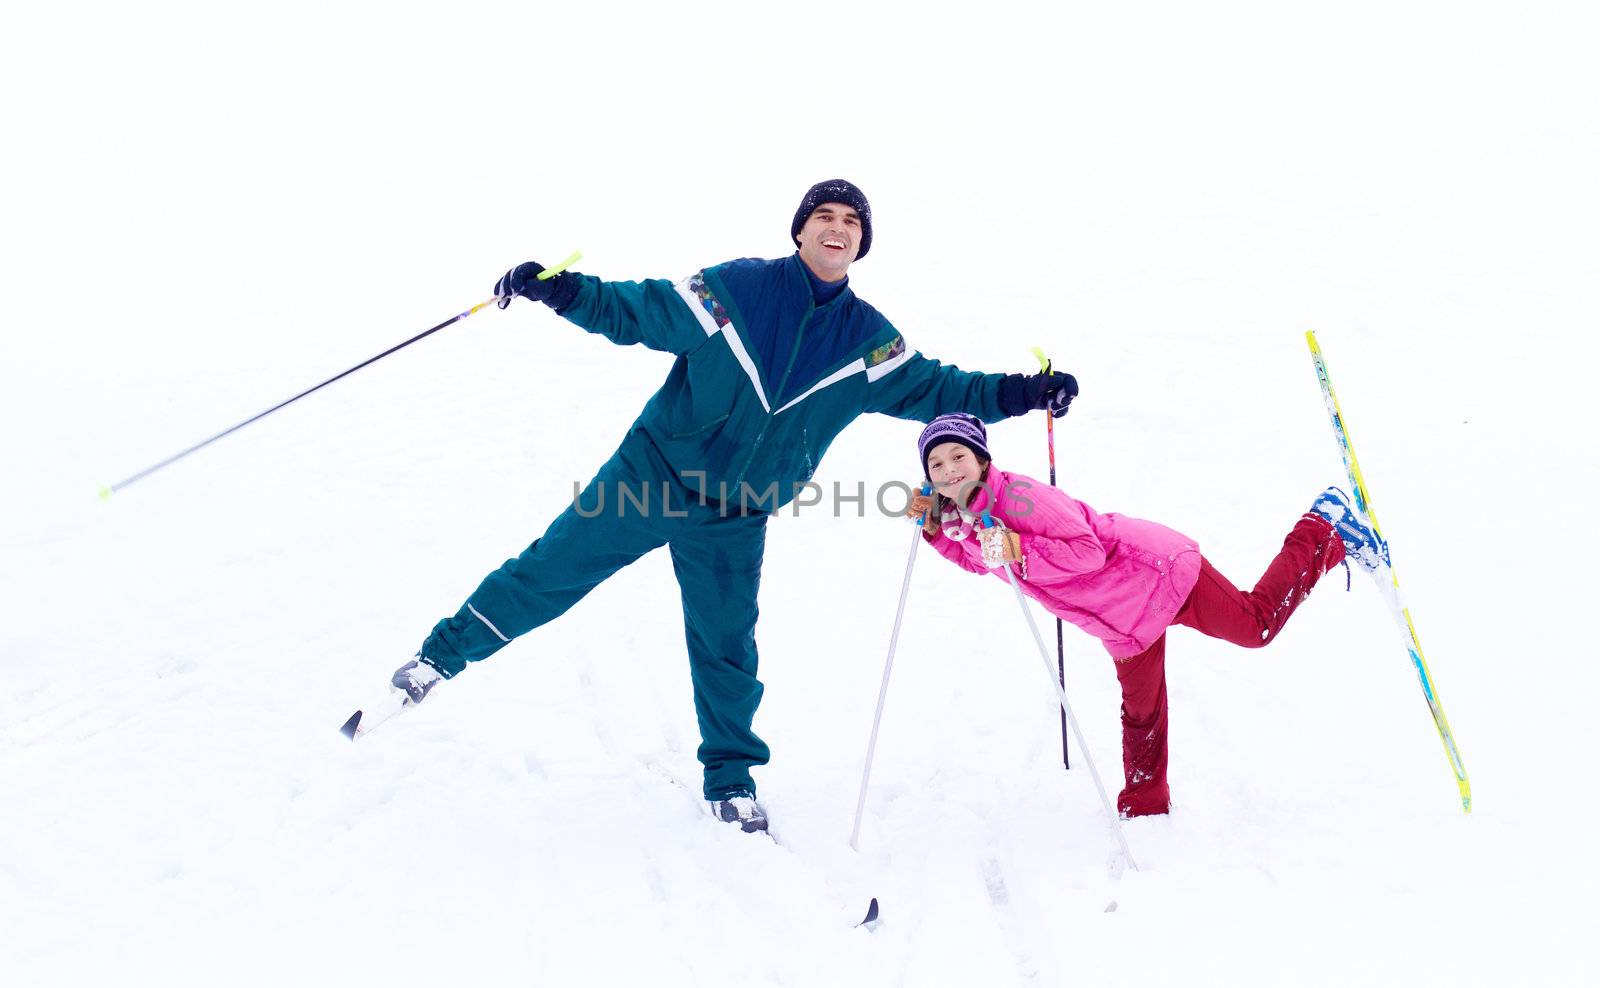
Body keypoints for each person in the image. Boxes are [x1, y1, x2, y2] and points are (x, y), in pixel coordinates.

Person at [382, 180, 1080, 833]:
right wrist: (559, 290)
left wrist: (1026, 392)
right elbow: (639, 310)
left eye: (851, 223)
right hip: (652, 474)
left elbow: (940, 387)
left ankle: (731, 780)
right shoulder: (736, 289)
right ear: (800, 231)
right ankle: (438, 658)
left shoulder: (870, 341)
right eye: (824, 218)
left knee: (725, 644)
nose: (836, 229)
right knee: (551, 571)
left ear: (860, 245)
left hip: (737, 512)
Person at [904, 413, 1387, 817]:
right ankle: (1146, 804)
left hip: (1155, 574)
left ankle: (1323, 527)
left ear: (982, 459)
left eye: (958, 456)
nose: (949, 470)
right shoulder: (966, 518)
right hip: (1119, 620)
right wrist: (937, 534)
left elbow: (1086, 551)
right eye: (937, 463)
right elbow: (984, 562)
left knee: (1255, 625)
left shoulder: (1020, 497)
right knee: (1141, 711)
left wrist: (1015, 546)